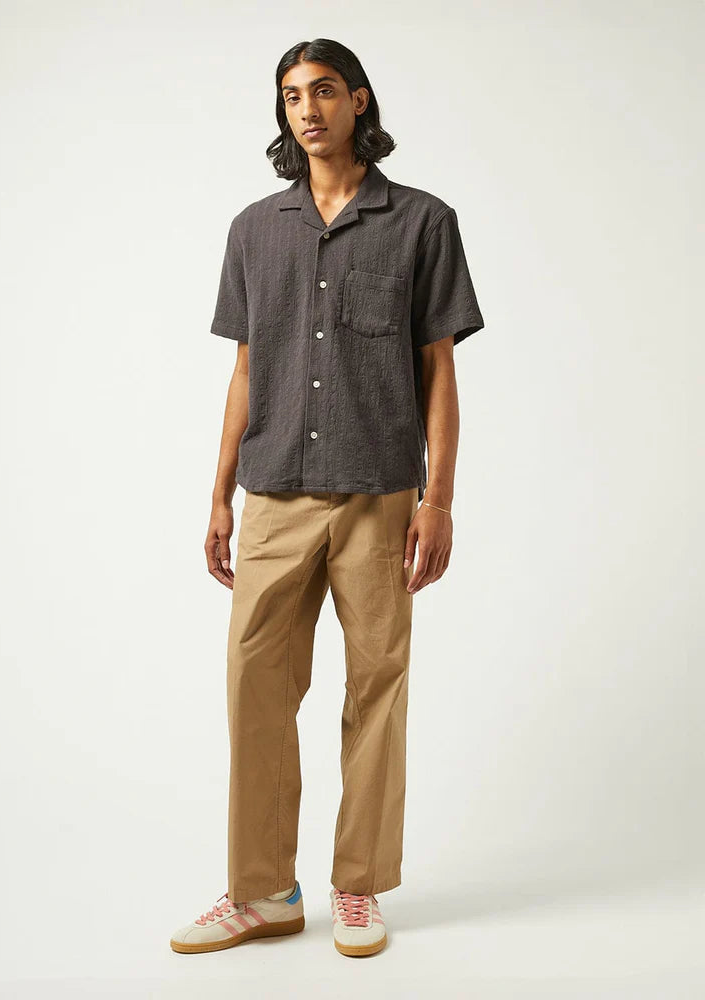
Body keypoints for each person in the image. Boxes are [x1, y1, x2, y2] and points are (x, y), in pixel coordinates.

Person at [170, 37, 485, 959]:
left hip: (380, 492)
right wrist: (219, 495)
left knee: (376, 687)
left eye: (323, 90)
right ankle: (264, 891)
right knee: (256, 687)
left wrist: (438, 500)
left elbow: (439, 373)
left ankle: (358, 886)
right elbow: (245, 370)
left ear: (359, 101)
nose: (306, 108)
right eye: (290, 95)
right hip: (272, 491)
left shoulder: (422, 222)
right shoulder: (253, 229)